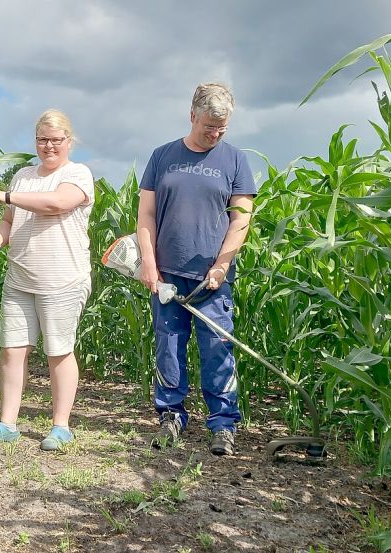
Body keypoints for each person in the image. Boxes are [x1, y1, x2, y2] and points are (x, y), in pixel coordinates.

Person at [136, 83, 256, 456]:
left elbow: (241, 219)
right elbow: (146, 216)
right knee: (168, 347)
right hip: (168, 275)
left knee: (218, 348)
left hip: (212, 279)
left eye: (222, 128)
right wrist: (149, 265)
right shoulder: (162, 157)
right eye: (209, 127)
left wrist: (222, 266)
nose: (215, 135)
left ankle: (223, 424)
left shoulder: (234, 160)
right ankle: (170, 416)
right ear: (192, 116)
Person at [0, 109, 94, 451]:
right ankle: (7, 422)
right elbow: (10, 221)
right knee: (12, 351)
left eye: (56, 140)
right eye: (42, 139)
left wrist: (3, 196)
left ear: (69, 141)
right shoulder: (24, 176)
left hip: (62, 280)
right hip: (20, 277)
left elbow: (56, 204)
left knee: (58, 351)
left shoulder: (78, 174)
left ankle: (61, 426)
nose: (48, 146)